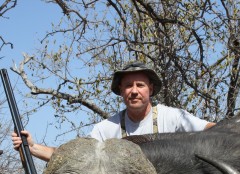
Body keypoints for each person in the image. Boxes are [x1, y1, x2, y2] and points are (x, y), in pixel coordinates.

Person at [12, 61, 215, 162]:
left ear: (150, 89)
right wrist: (32, 148)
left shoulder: (174, 117)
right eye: (128, 86)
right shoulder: (105, 129)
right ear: (120, 91)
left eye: (140, 85)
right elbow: (76, 157)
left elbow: (214, 131)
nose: (134, 91)